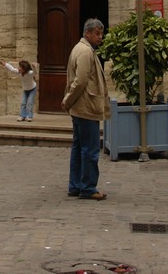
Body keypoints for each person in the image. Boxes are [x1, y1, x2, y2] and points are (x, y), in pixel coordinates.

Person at [62, 17, 110, 201]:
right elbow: (80, 81)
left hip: (81, 107)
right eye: (97, 33)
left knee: (79, 147)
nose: (100, 37)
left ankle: (75, 185)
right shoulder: (85, 52)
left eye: (101, 34)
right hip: (86, 107)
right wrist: (68, 100)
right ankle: (88, 187)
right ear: (87, 33)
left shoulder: (80, 48)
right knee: (89, 149)